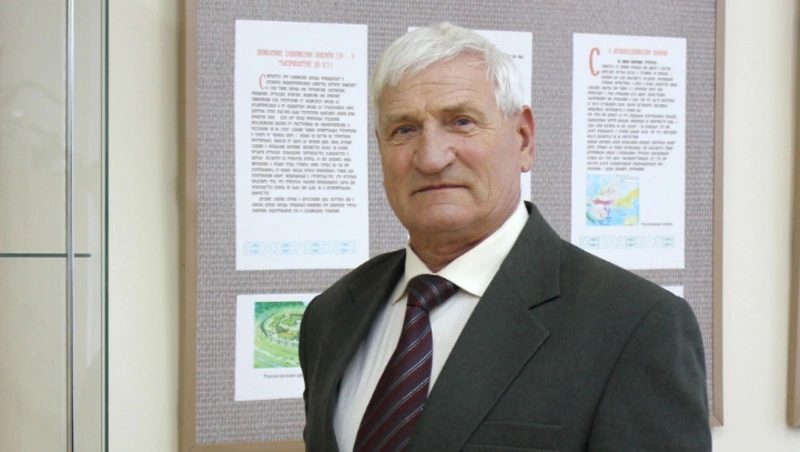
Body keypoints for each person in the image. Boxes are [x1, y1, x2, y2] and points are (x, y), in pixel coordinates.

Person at [299, 22, 711, 451]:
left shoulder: (634, 326)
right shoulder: (331, 317)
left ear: (524, 139)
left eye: (461, 121)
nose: (431, 157)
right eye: (404, 129)